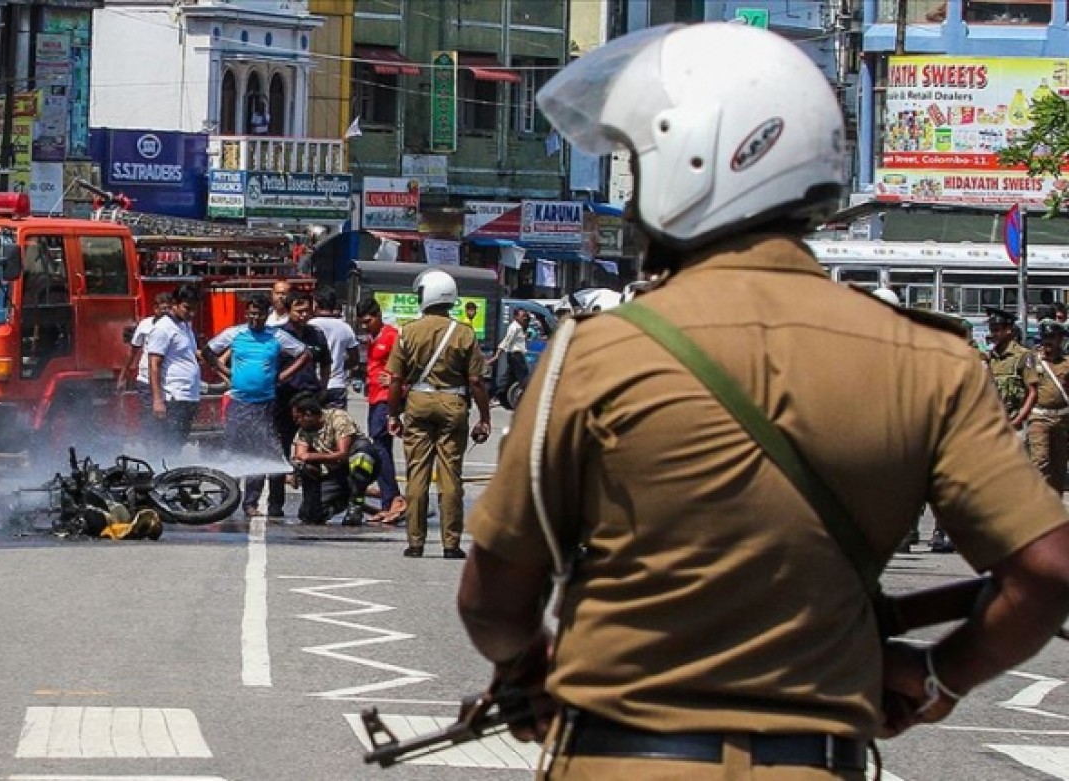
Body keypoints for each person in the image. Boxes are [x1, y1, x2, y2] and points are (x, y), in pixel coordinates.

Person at [456, 23, 1069, 781]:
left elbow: (492, 598)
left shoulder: (597, 353)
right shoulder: (931, 359)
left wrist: (527, 665)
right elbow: (1045, 569)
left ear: (696, 162)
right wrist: (942, 674)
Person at [387, 269, 491, 558]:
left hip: (418, 401)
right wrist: (484, 418)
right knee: (450, 475)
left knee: (417, 472)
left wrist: (392, 414)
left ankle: (416, 541)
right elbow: (476, 382)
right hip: (453, 404)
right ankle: (450, 543)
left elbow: (395, 380)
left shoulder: (407, 332)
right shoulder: (464, 333)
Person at [206, 294, 309, 519]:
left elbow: (304, 354)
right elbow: (208, 351)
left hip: (265, 404)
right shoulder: (235, 333)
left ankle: (250, 503)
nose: (255, 318)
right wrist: (225, 372)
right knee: (233, 451)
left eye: (260, 314)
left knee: (258, 453)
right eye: (251, 313)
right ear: (246, 313)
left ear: (266, 315)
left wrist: (282, 376)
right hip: (238, 403)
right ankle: (227, 500)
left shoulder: (277, 336)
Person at [267, 290, 331, 518]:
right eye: (299, 310)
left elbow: (325, 363)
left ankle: (311, 506)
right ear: (288, 309)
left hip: (309, 397)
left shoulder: (316, 335)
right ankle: (275, 504)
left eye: (307, 310)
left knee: (312, 451)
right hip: (284, 398)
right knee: (279, 450)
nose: (303, 315)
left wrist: (323, 387)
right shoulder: (277, 335)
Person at [288, 392, 384, 526]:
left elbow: (342, 454)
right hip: (336, 475)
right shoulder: (303, 433)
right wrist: (300, 468)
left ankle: (356, 504)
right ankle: (343, 500)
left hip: (357, 466)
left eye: (298, 418)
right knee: (309, 515)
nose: (296, 422)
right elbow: (300, 455)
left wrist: (311, 456)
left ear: (309, 414)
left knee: (362, 453)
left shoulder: (338, 418)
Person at [356, 297, 406, 524]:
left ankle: (394, 499)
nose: (365, 326)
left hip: (387, 398)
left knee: (380, 446)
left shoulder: (391, 335)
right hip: (375, 397)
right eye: (362, 322)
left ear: (377, 316)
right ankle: (389, 502)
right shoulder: (372, 338)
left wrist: (399, 381)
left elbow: (408, 361)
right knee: (380, 447)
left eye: (368, 321)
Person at [145, 284, 202, 459]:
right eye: (187, 308)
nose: (191, 313)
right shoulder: (163, 328)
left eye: (194, 309)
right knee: (169, 444)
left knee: (178, 444)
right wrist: (157, 400)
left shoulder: (185, 326)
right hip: (173, 397)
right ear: (174, 304)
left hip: (189, 396)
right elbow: (154, 364)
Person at [1019, 319, 1069, 496]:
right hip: (1039, 418)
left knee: (1059, 466)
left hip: (1062, 419)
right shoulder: (1032, 359)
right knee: (1040, 462)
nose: (1048, 341)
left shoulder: (1066, 362)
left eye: (1052, 337)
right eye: (1045, 336)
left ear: (1060, 339)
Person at [309, 286, 360, 409]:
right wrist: (340, 365)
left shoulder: (310, 326)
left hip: (313, 385)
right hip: (337, 385)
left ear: (315, 304)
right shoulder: (345, 327)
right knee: (337, 426)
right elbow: (354, 359)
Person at [987, 307, 1035, 427]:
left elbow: (1032, 392)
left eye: (996, 330)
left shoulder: (1023, 355)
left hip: (1015, 423)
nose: (993, 334)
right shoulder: (990, 357)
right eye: (991, 330)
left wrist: (1018, 420)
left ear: (1008, 330)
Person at [119, 292, 172, 395]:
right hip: (146, 379)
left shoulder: (176, 327)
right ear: (155, 308)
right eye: (163, 309)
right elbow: (132, 353)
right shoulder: (145, 325)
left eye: (169, 308)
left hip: (168, 381)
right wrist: (122, 376)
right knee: (149, 410)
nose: (166, 312)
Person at [489, 307, 532, 395]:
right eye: (522, 316)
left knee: (508, 380)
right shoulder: (514, 328)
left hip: (515, 355)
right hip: (516, 356)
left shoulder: (520, 327)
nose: (524, 317)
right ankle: (526, 396)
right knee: (523, 377)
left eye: (524, 316)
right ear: (516, 317)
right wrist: (497, 355)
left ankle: (494, 394)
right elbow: (506, 341)